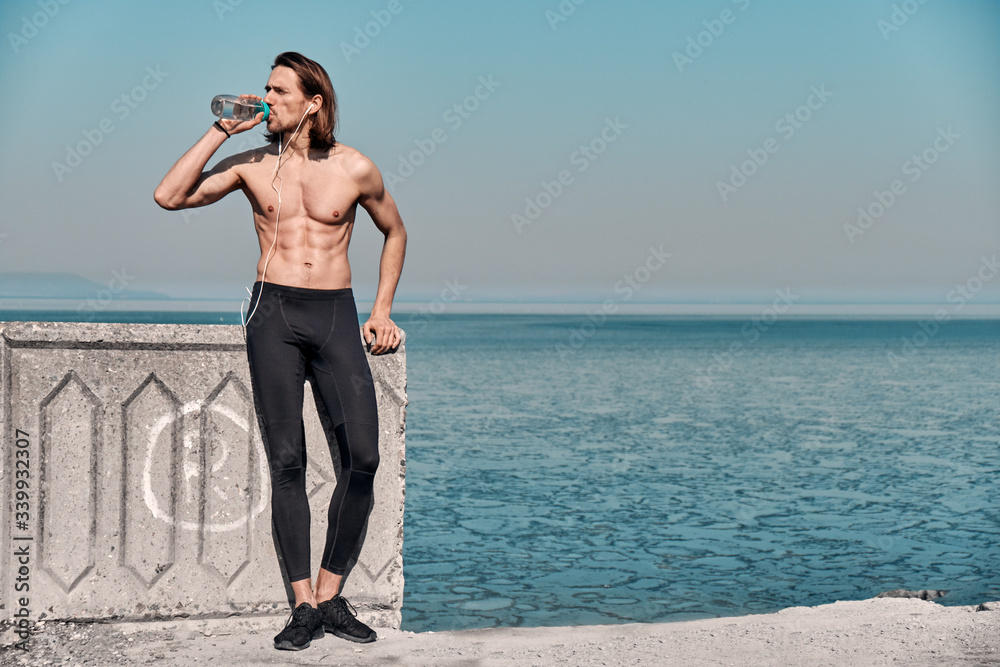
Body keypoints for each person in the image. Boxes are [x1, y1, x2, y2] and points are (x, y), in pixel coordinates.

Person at [154, 51, 406, 651]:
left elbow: (395, 231)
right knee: (287, 463)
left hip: (336, 315)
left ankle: (330, 595)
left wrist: (381, 310)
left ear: (312, 102)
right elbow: (169, 196)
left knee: (363, 459)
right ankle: (301, 607)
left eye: (277, 91)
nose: (265, 99)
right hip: (272, 315)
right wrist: (222, 129)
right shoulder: (250, 164)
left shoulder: (356, 168)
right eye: (264, 89)